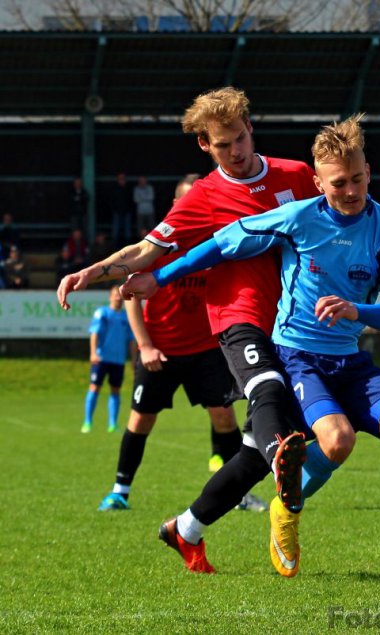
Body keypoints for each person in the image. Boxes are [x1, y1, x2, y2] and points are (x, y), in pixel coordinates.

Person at [124, 114, 380, 581]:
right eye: (339, 183)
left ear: (369, 171)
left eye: (358, 179)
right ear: (318, 183)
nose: (351, 191)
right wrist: (159, 277)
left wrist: (356, 310)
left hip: (350, 361)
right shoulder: (298, 217)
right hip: (296, 359)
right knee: (336, 440)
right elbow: (222, 244)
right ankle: (280, 511)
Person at [57, 86, 316, 573]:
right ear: (204, 145)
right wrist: (91, 272)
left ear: (251, 128)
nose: (235, 152)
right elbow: (146, 251)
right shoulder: (204, 197)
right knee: (267, 394)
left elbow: (336, 223)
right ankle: (280, 460)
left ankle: (185, 529)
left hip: (292, 323)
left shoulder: (297, 175)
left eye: (240, 139)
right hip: (236, 317)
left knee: (254, 452)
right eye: (222, 145)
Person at [96, 174, 265, 514]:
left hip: (207, 350)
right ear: (177, 205)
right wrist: (145, 346)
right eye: (189, 200)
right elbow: (131, 297)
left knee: (224, 418)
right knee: (141, 420)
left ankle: (239, 495)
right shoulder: (158, 246)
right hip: (161, 351)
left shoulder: (217, 244)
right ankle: (119, 492)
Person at [82, 285, 136, 433]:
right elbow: (94, 333)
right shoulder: (102, 313)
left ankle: (112, 424)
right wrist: (93, 353)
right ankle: (87, 422)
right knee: (94, 387)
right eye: (115, 295)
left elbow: (132, 340)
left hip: (118, 360)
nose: (118, 298)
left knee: (115, 390)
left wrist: (133, 358)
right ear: (110, 297)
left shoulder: (127, 316)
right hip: (101, 358)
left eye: (120, 295)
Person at [108, 172, 135, 246]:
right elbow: (111, 200)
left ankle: (128, 248)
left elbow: (131, 200)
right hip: (117, 213)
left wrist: (129, 210)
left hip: (127, 212)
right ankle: (114, 248)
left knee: (127, 233)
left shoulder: (128, 188)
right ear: (118, 179)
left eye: (123, 178)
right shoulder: (114, 189)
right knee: (115, 232)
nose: (122, 180)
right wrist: (114, 209)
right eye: (120, 178)